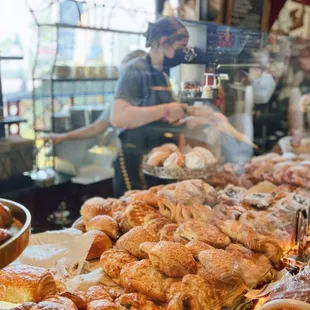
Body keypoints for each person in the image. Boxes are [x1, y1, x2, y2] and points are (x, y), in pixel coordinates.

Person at [110, 17, 191, 197]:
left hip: (158, 162)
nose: (184, 53)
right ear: (163, 43)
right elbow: (118, 117)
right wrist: (167, 109)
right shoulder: (135, 70)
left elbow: (164, 117)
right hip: (136, 160)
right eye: (180, 48)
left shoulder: (163, 75)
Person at [43, 50, 147, 145]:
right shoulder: (121, 102)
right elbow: (96, 128)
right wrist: (62, 137)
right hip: (132, 156)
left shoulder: (156, 99)